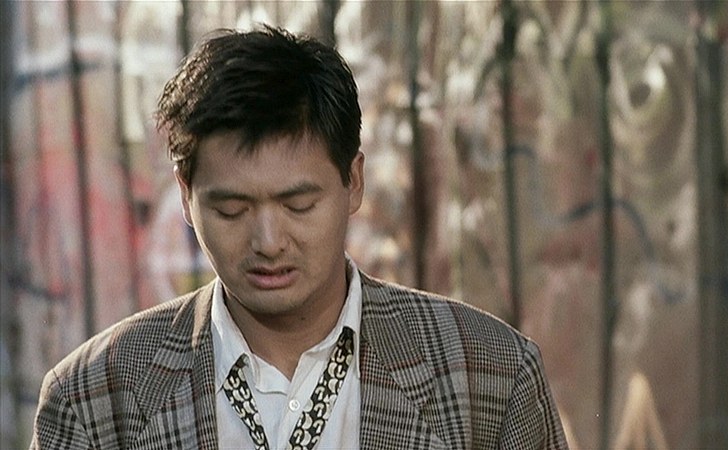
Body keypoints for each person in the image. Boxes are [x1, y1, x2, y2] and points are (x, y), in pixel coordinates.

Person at [30, 25, 568, 449]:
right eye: (232, 209)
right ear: (186, 195)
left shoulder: (489, 377)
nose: (268, 241)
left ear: (353, 182)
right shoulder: (94, 399)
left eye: (298, 205)